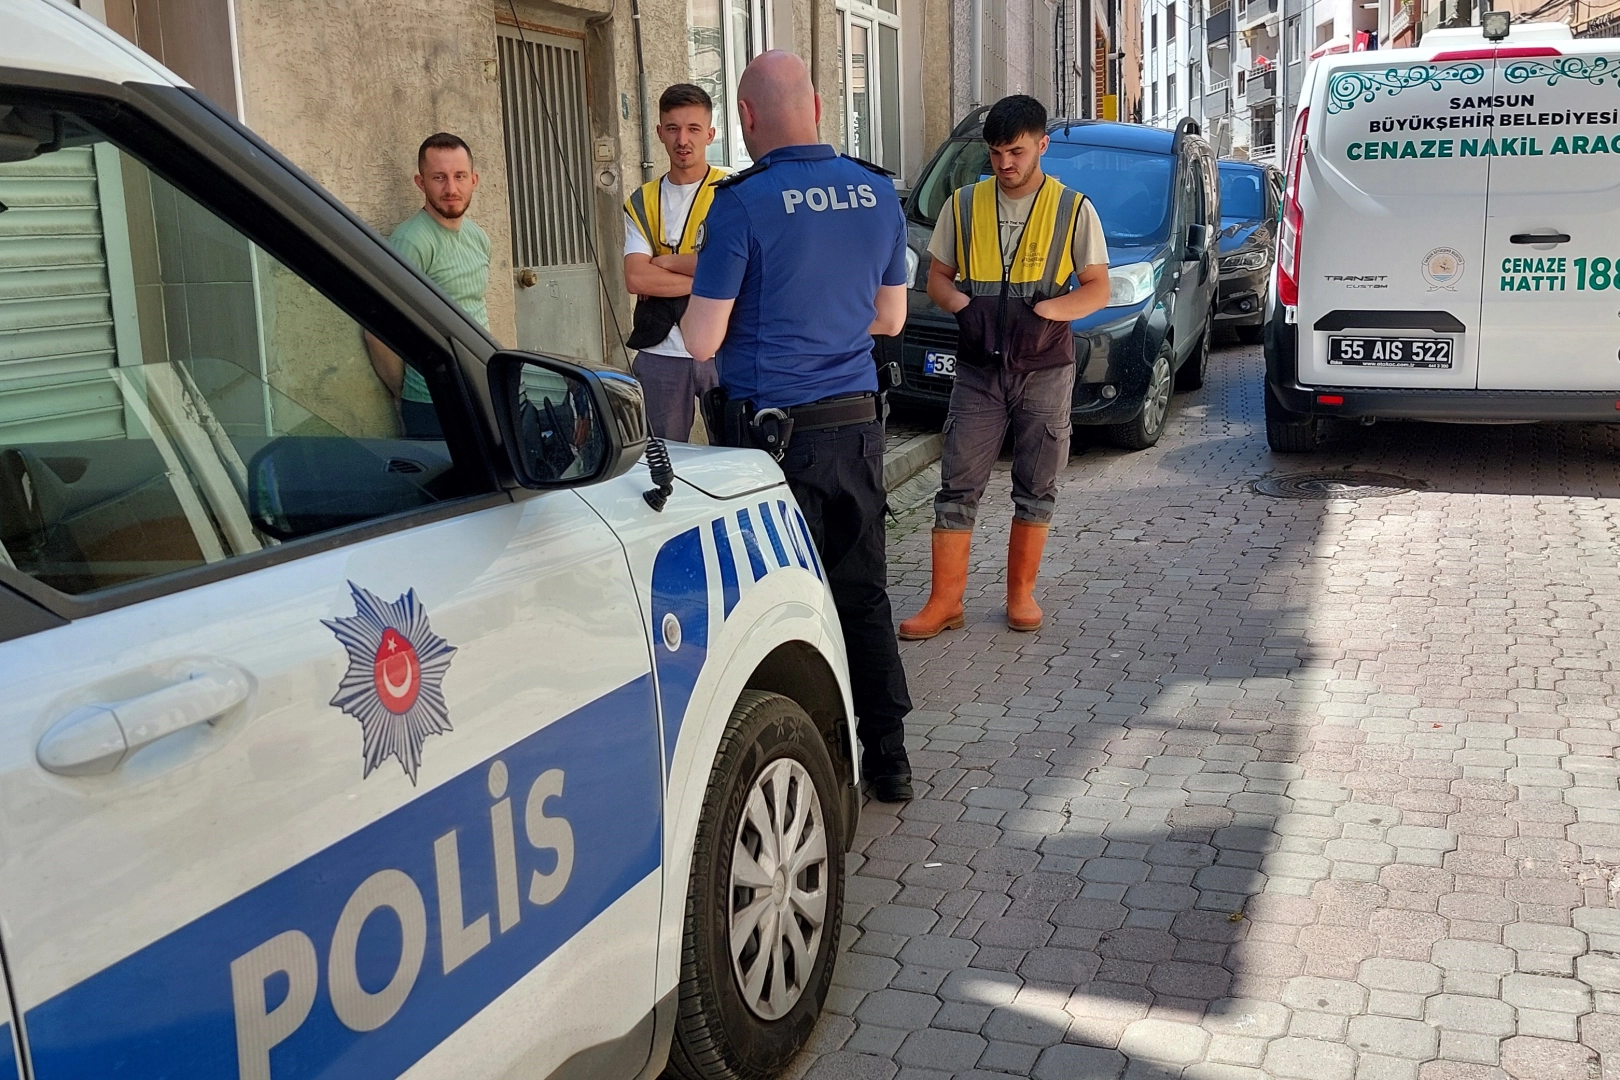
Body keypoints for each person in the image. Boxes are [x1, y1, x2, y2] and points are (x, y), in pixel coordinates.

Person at [681, 51, 915, 803]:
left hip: (771, 446)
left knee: (776, 609)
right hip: (859, 429)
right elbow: (890, 319)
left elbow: (701, 341)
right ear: (816, 105)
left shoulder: (740, 203)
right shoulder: (877, 192)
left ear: (745, 117)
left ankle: (808, 763)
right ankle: (889, 756)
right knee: (863, 593)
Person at [897, 94, 1110, 639]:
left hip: (1045, 369)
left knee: (1036, 485)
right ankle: (945, 602)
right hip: (977, 369)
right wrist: (962, 306)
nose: (1004, 163)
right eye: (995, 153)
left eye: (1016, 152)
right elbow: (938, 277)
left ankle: (1021, 596)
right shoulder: (963, 205)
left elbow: (1098, 289)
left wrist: (1048, 313)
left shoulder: (1072, 209)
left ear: (1042, 145)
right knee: (957, 485)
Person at [368, 132, 491, 439]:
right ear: (420, 182)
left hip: (480, 389)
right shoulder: (411, 241)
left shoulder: (478, 237)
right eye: (439, 177)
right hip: (433, 403)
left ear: (474, 180)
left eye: (459, 176)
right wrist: (402, 393)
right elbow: (378, 330)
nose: (451, 188)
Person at [622, 84, 728, 441]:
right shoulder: (643, 200)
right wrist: (708, 276)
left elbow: (735, 265)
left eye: (693, 129)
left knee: (737, 452)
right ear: (659, 133)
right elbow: (637, 278)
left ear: (710, 134)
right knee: (663, 459)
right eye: (673, 128)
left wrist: (663, 262)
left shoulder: (732, 190)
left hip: (725, 347)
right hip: (659, 349)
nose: (683, 140)